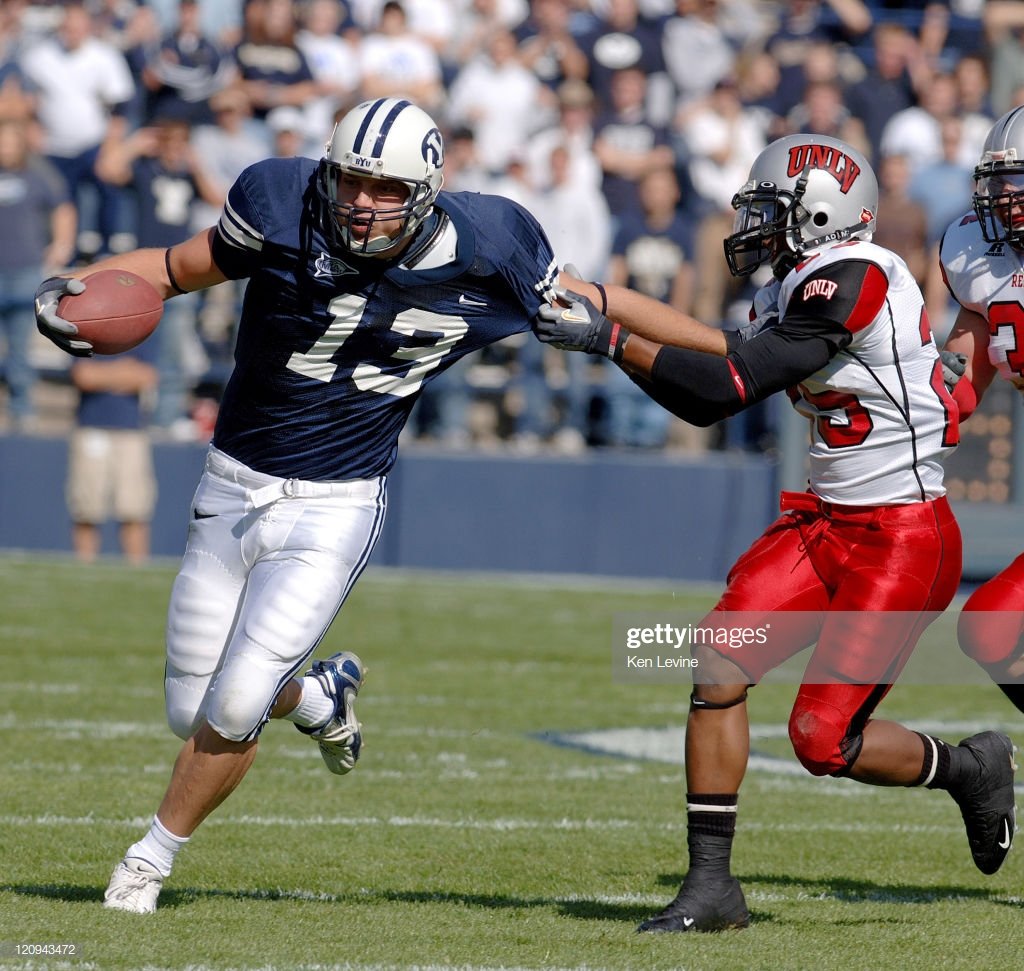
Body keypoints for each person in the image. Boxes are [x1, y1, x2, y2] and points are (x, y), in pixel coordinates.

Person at [34, 96, 558, 913]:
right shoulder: (281, 203)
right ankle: (320, 696)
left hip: (336, 503)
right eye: (350, 179)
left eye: (383, 187)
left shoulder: (488, 243)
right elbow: (174, 268)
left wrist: (730, 361)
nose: (360, 200)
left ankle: (148, 859)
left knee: (237, 702)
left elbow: (600, 311)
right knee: (192, 711)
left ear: (422, 189)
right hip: (232, 482)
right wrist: (86, 291)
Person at [538, 133, 1017, 932]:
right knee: (717, 654)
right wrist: (604, 301)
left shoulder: (860, 275)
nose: (755, 223)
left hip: (902, 536)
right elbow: (714, 357)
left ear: (820, 213)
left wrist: (607, 340)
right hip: (826, 524)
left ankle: (969, 767)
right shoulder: (797, 284)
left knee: (821, 739)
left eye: (772, 208)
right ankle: (712, 887)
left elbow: (730, 383)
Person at [939, 105, 1024, 716]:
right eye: (1001, 185)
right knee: (989, 628)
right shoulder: (979, 256)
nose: (1007, 201)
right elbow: (960, 387)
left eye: (1020, 186)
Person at [66, 333, 159, 564]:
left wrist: (104, 374)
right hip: (90, 428)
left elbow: (146, 376)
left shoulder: (143, 327)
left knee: (134, 509)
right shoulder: (86, 327)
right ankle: (83, 572)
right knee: (86, 510)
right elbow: (84, 375)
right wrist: (123, 372)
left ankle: (137, 573)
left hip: (130, 431)